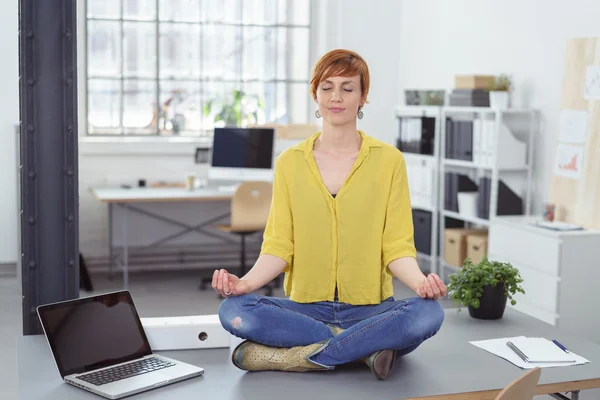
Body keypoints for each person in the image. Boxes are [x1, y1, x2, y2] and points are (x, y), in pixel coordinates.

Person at [213, 49, 447, 380]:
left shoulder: (389, 161)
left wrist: (421, 283)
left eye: (348, 88)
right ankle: (365, 350)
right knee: (234, 310)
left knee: (428, 315)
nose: (336, 97)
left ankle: (294, 357)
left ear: (363, 97)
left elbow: (396, 245)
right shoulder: (289, 162)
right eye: (327, 87)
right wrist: (245, 283)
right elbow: (279, 243)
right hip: (306, 309)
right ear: (315, 93)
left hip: (370, 309)